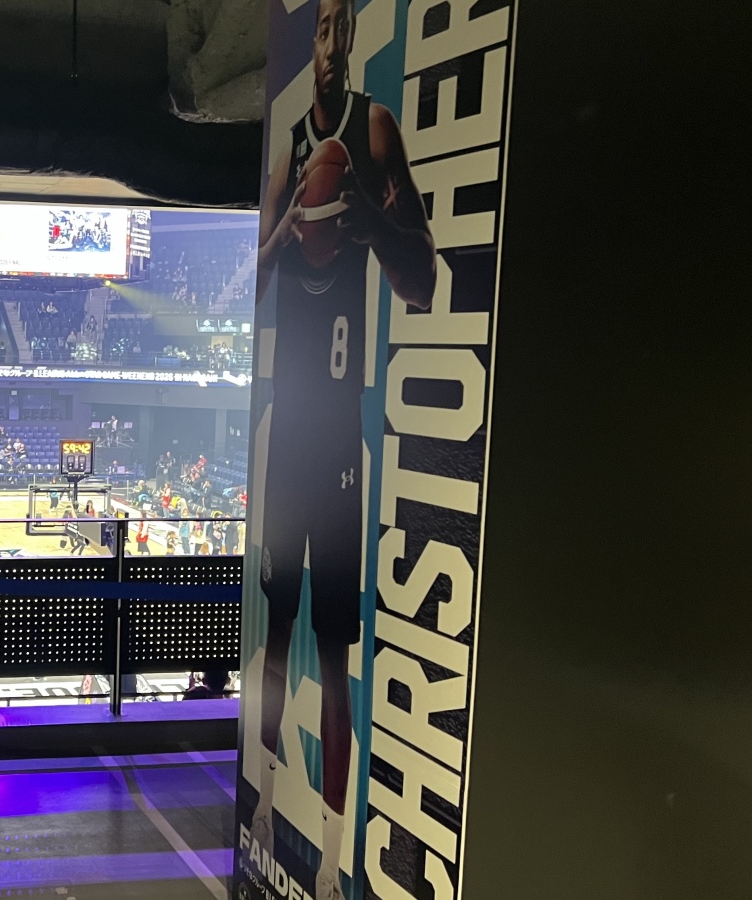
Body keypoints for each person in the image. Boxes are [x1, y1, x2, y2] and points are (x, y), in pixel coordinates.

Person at [245, 1, 437, 897]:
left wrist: (373, 223)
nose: (327, 43)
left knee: (333, 656)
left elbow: (422, 279)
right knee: (275, 635)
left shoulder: (374, 129)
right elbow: (253, 281)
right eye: (317, 28)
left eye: (337, 26)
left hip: (339, 446)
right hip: (288, 432)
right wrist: (294, 224)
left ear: (353, 34)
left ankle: (328, 854)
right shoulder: (292, 148)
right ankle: (260, 803)